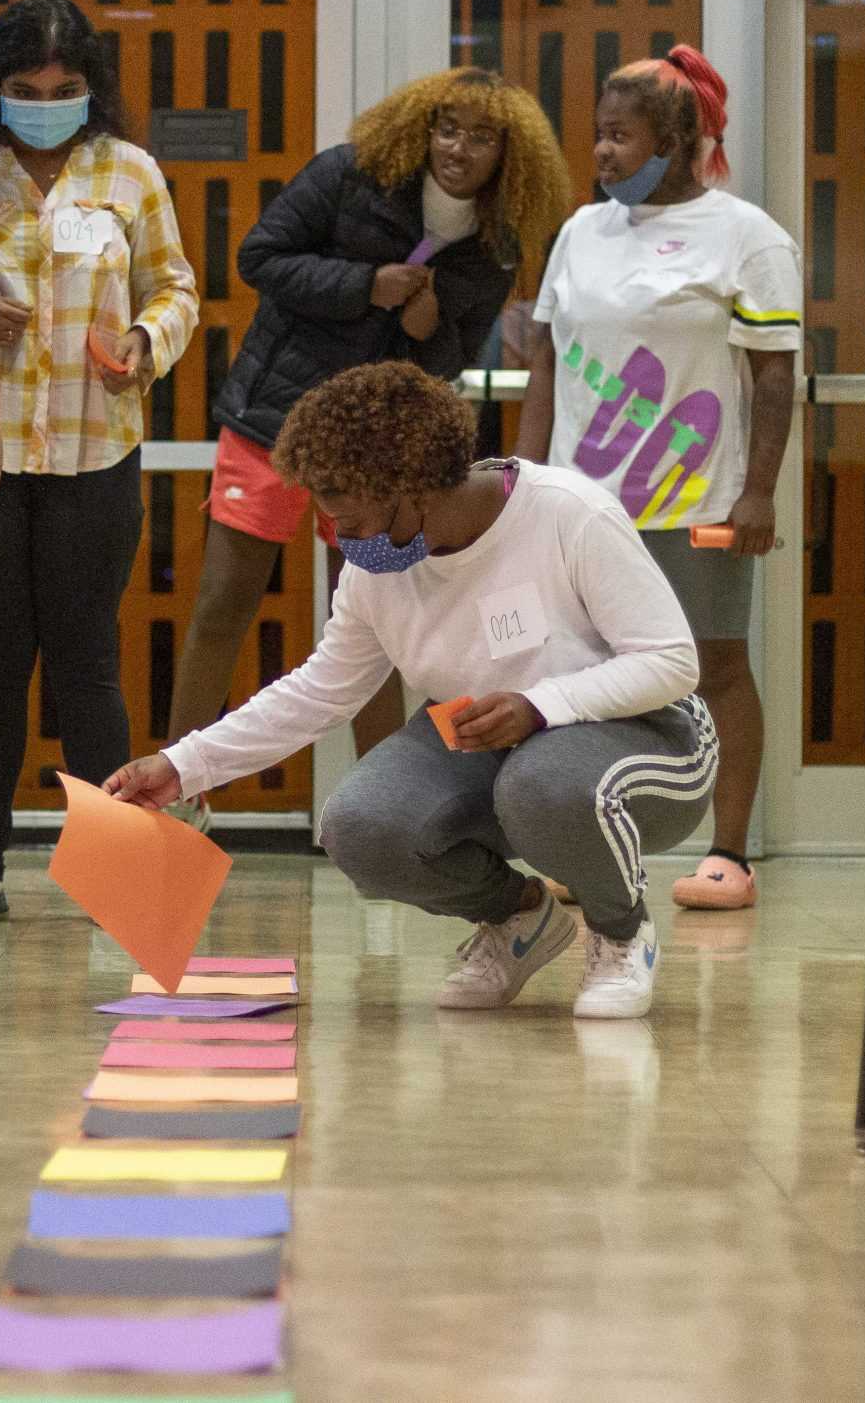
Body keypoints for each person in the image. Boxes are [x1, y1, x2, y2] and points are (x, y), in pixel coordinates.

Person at [109, 362, 714, 1018]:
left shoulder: (568, 514)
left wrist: (541, 705)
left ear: (417, 484)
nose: (349, 540)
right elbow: (320, 691)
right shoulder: (376, 569)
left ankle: (622, 934)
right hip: (488, 734)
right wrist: (181, 764)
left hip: (653, 735)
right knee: (360, 825)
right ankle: (518, 920)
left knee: (540, 782)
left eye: (358, 520)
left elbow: (672, 660)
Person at [161, 68, 572, 827]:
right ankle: (178, 793)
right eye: (448, 127)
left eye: (482, 136)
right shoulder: (350, 174)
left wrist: (428, 331)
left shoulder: (497, 241)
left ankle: (388, 811)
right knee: (223, 601)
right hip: (274, 421)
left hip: (381, 460)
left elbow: (449, 357)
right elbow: (260, 256)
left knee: (379, 626)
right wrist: (364, 285)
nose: (459, 147)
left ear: (508, 153)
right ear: (423, 127)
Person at [0, 0, 198, 928]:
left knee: (88, 664)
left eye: (65, 90)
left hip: (93, 449)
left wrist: (146, 345)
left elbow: (176, 285)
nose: (45, 103)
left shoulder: (130, 171)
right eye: (25, 90)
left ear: (91, 89)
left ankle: (122, 876)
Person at [516, 45, 801, 912]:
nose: (602, 155)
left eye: (620, 137)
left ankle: (729, 853)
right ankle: (591, 844)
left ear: (676, 143)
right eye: (597, 136)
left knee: (714, 667)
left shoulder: (748, 235)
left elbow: (775, 374)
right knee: (586, 673)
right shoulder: (579, 232)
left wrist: (760, 490)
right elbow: (545, 364)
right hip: (582, 506)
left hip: (698, 500)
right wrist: (528, 480)